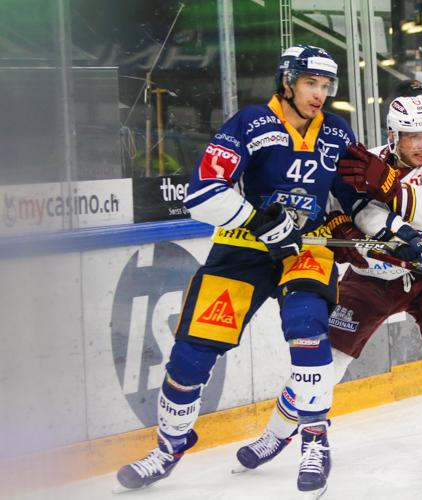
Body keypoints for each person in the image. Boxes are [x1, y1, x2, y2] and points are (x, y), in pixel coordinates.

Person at [115, 44, 363, 499]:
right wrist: (260, 221)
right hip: (241, 249)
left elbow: (356, 197)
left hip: (305, 248)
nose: (319, 94)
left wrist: (389, 228)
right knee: (191, 356)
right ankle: (169, 447)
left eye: (326, 85)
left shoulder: (337, 131)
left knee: (307, 328)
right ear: (287, 81)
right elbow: (202, 192)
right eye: (310, 83)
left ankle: (314, 442)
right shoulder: (251, 122)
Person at [236, 95, 422, 481]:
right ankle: (276, 434)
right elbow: (334, 202)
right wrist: (341, 225)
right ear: (393, 134)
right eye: (412, 136)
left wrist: (386, 185)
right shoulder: (363, 160)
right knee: (325, 360)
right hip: (371, 278)